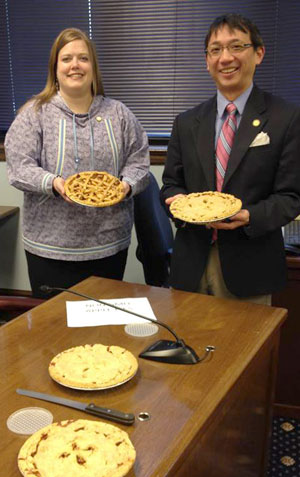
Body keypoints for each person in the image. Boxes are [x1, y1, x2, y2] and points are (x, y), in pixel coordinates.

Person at [160, 13, 300, 305]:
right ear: (207, 60)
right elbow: (171, 184)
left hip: (251, 267)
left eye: (236, 46)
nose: (225, 58)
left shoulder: (286, 118)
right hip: (190, 266)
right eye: (215, 50)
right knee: (188, 345)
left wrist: (249, 216)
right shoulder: (186, 122)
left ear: (259, 53)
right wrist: (177, 204)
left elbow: (291, 196)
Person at [5, 28, 149, 298]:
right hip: (50, 249)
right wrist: (54, 183)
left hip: (109, 245)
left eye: (83, 58)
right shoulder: (34, 114)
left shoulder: (118, 113)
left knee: (102, 330)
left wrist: (127, 186)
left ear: (93, 67)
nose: (75, 65)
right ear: (55, 68)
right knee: (56, 330)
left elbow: (139, 161)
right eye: (67, 58)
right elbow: (18, 168)